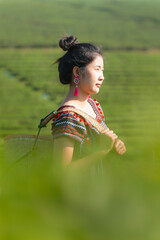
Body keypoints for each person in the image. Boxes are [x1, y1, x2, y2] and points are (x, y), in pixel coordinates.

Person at [51, 36, 126, 170]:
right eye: (97, 69)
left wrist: (114, 145)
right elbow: (61, 172)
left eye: (102, 70)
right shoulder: (68, 117)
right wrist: (101, 150)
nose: (102, 76)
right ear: (77, 72)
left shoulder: (93, 105)